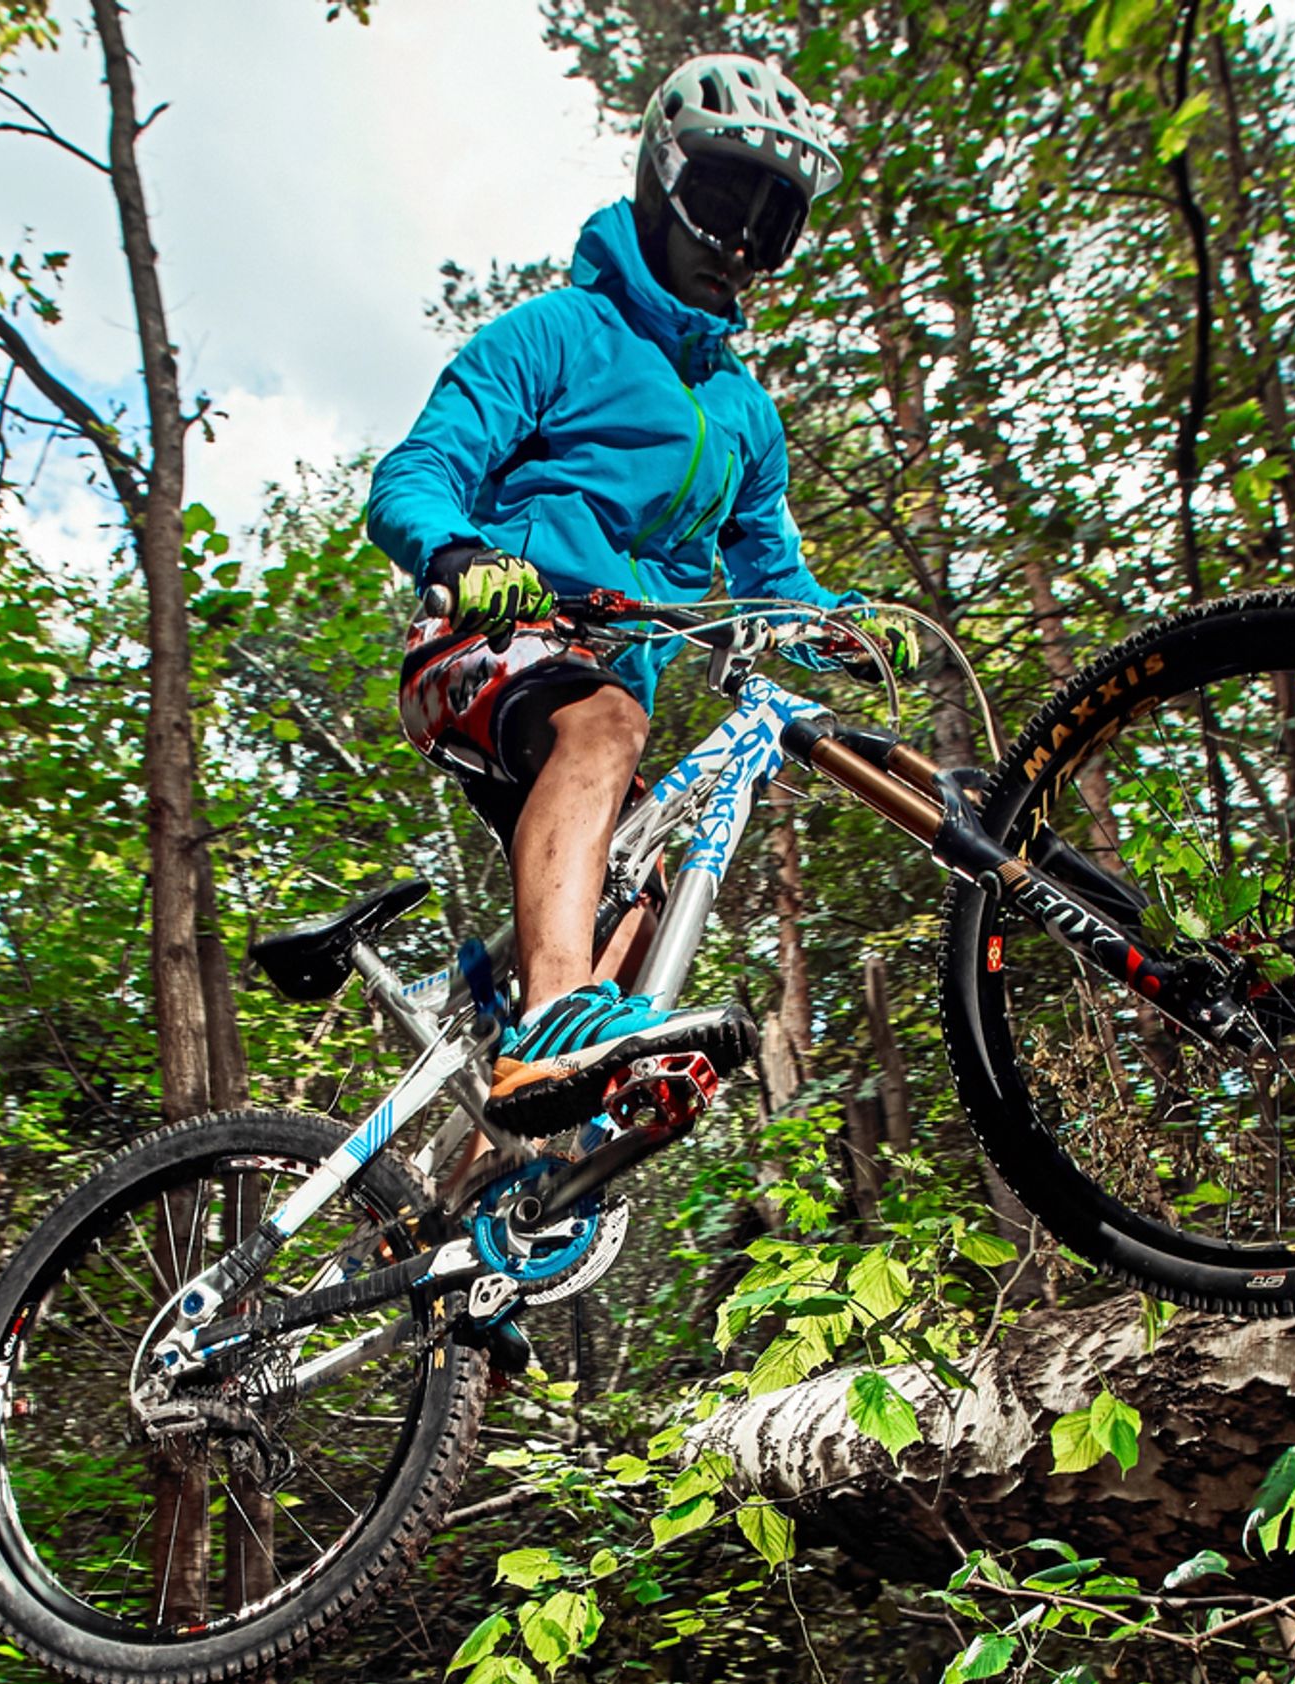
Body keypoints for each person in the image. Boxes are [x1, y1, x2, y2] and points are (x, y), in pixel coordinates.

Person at [366, 52, 899, 1136]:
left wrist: (839, 629)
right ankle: (552, 1014)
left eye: (773, 222)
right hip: (482, 651)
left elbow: (770, 582)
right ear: (660, 186)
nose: (741, 242)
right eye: (718, 200)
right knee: (607, 720)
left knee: (643, 910)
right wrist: (457, 553)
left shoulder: (745, 415)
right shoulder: (556, 334)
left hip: (586, 706)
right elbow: (412, 474)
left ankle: (496, 1218)